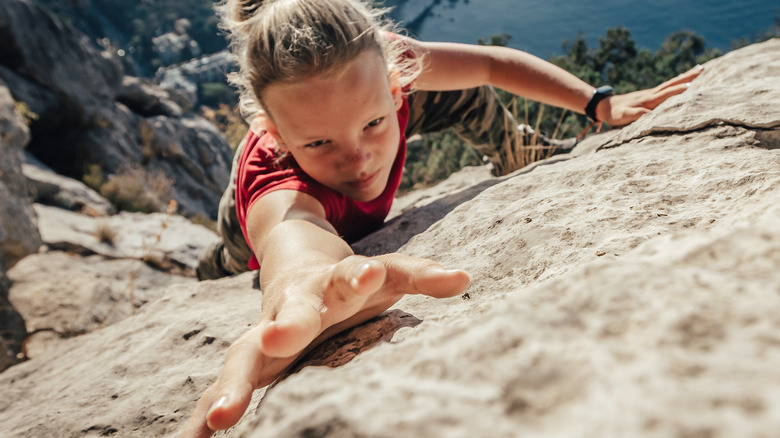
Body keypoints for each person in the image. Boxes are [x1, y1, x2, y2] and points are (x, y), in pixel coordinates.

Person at [182, 0, 703, 435]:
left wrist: (598, 104)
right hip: (246, 226)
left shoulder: (387, 66)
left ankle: (520, 150)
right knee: (232, 256)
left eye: (373, 124)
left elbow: (492, 64)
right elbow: (287, 237)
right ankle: (204, 268)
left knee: (467, 92)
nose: (358, 158)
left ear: (395, 83)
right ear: (272, 131)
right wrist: (300, 285)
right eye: (319, 142)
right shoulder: (279, 185)